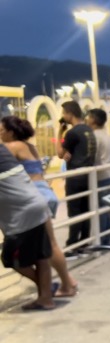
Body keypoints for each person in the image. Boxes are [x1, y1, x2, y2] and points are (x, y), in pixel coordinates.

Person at [0, 117, 78, 297]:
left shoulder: (11, 148)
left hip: (31, 195)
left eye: (2, 130)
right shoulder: (30, 147)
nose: (0, 134)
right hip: (45, 191)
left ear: (11, 132)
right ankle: (64, 283)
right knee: (48, 245)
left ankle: (66, 283)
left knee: (48, 246)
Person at [0, 144, 54, 310]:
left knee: (11, 259)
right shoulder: (3, 150)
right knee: (41, 257)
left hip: (22, 215)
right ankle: (46, 297)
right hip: (37, 205)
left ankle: (46, 293)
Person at [58, 101, 97, 252]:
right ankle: (84, 241)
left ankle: (72, 243)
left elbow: (60, 154)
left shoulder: (72, 133)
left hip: (75, 177)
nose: (63, 117)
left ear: (70, 114)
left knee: (74, 211)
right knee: (86, 210)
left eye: (64, 114)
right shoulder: (88, 129)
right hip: (88, 176)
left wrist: (59, 132)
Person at [86, 108, 110, 244]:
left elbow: (93, 156)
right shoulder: (106, 134)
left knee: (101, 209)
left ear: (94, 119)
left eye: (89, 116)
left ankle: (102, 240)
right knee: (106, 207)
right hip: (109, 174)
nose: (86, 119)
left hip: (100, 176)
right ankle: (107, 236)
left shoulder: (95, 136)